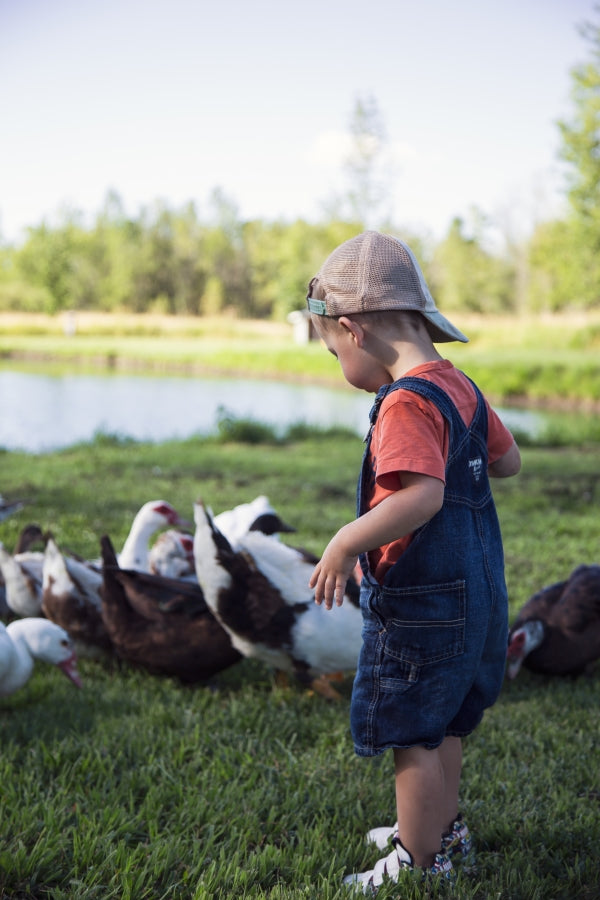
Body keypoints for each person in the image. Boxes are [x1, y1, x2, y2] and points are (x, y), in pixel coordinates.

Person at [306, 231, 521, 892]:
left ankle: (417, 863)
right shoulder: (459, 386)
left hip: (425, 602)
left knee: (412, 733)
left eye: (333, 348)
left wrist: (347, 541)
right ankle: (439, 830)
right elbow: (509, 462)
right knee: (446, 719)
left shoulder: (405, 402)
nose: (338, 359)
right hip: (479, 594)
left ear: (353, 330)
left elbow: (422, 496)